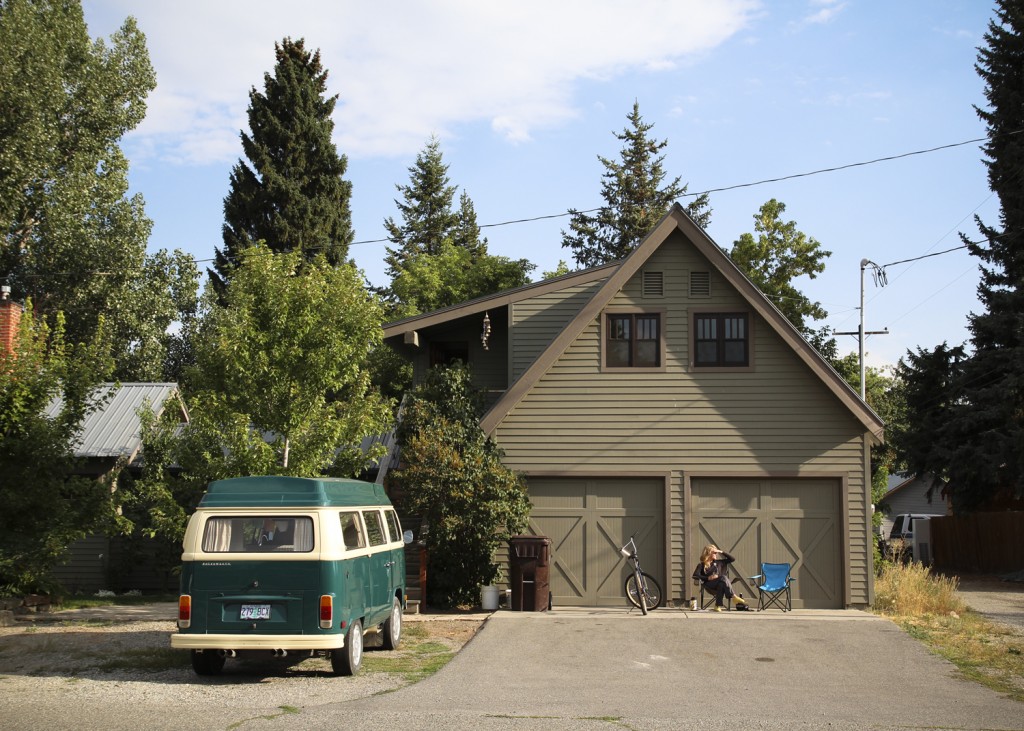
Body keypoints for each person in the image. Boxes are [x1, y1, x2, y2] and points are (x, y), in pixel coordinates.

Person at [692, 544, 747, 611]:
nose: (716, 554)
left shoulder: (720, 562)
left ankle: (717, 606)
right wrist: (708, 578)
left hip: (721, 583)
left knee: (721, 583)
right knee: (723, 577)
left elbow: (732, 559)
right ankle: (733, 596)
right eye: (714, 553)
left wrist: (721, 551)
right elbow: (695, 575)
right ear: (708, 553)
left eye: (717, 553)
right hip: (709, 584)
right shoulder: (702, 565)